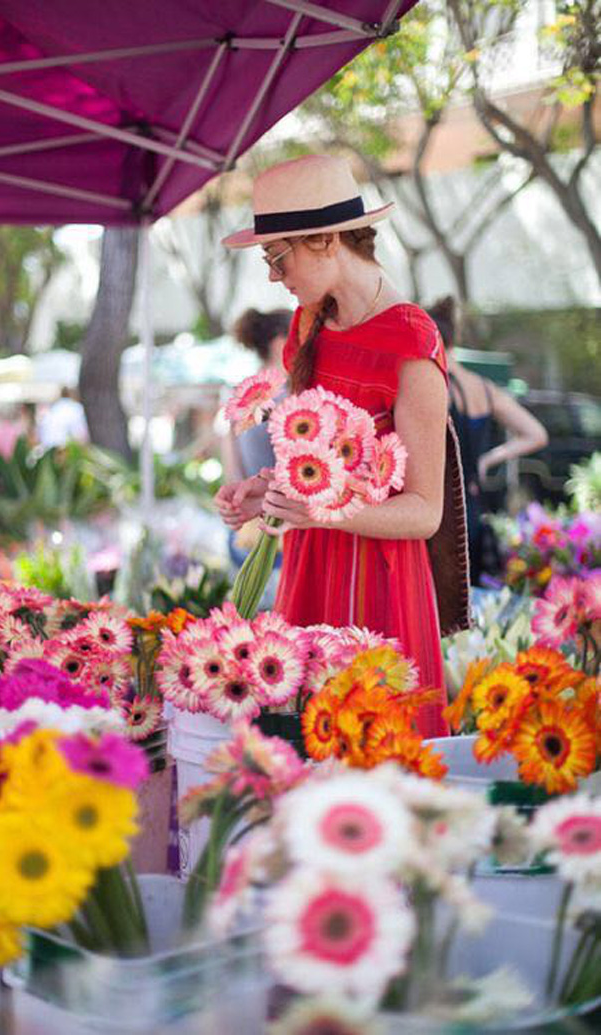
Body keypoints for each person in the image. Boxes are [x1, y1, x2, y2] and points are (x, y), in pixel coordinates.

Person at [216, 154, 470, 738]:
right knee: (307, 755)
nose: (274, 277)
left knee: (375, 755)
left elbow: (424, 512)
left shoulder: (411, 340)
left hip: (380, 583)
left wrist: (324, 510)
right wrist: (264, 493)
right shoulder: (307, 329)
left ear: (327, 239)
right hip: (310, 564)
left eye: (277, 257)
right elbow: (307, 470)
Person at [428, 297, 548, 586]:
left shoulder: (431, 385)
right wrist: (488, 459)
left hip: (438, 506)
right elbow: (536, 434)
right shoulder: (482, 387)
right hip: (472, 502)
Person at [223, 308, 291, 483]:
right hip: (277, 504)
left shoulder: (240, 394)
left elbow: (232, 470)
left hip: (251, 501)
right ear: (280, 344)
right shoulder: (285, 398)